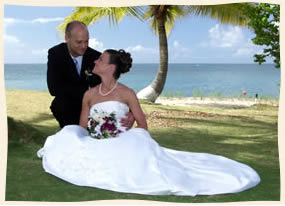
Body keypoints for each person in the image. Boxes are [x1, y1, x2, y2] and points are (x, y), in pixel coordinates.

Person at [38, 49, 260, 196]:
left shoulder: (127, 93)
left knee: (137, 152)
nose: (95, 60)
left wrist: (131, 121)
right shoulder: (90, 94)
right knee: (69, 134)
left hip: (120, 142)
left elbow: (143, 125)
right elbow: (82, 127)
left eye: (100, 60)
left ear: (110, 68)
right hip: (95, 142)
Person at [47, 20, 134, 128]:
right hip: (67, 107)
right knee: (60, 105)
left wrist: (130, 110)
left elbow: (111, 84)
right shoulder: (55, 54)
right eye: (79, 42)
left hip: (94, 107)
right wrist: (87, 91)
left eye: (86, 41)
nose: (83, 46)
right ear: (67, 38)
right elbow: (54, 89)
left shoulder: (96, 57)